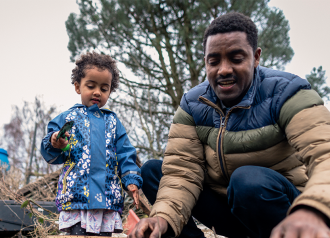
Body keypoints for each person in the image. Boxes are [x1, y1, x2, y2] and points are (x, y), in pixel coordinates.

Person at [130, 12, 330, 238]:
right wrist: (162, 217)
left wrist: (313, 208)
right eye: (213, 61)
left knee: (247, 181)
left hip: (282, 212)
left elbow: (325, 155)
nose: (223, 70)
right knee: (153, 172)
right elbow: (181, 172)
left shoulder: (287, 93)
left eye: (236, 59)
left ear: (255, 57)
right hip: (228, 209)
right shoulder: (193, 104)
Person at [41, 52, 142, 236]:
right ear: (78, 87)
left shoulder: (113, 122)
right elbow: (50, 149)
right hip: (77, 198)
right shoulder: (67, 118)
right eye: (91, 86)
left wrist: (131, 179)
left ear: (110, 91)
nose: (97, 92)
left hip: (107, 199)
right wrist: (55, 142)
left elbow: (126, 154)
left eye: (104, 89)